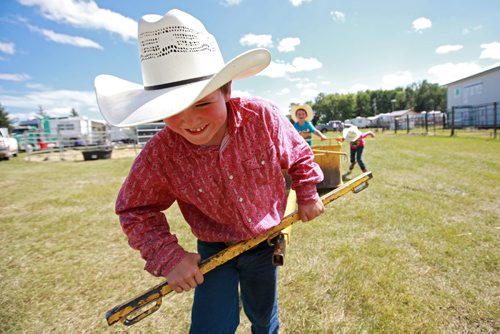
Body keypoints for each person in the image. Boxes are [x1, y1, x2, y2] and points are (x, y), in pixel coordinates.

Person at [94, 9, 325, 334]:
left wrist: (307, 192)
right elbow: (135, 208)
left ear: (226, 90)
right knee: (211, 325)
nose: (190, 121)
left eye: (202, 103)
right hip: (213, 248)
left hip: (265, 242)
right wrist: (167, 255)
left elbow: (299, 155)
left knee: (263, 314)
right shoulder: (162, 153)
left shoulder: (262, 118)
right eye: (172, 111)